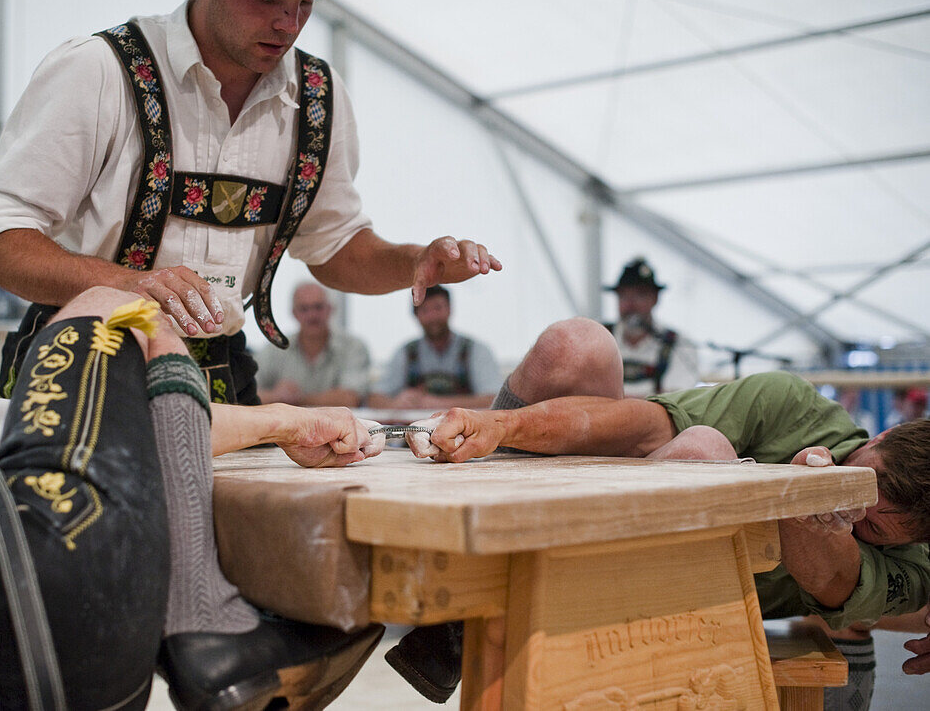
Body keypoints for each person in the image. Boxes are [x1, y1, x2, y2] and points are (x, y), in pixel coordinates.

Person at [0, 286, 387, 710]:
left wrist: (285, 424)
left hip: (36, 687)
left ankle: (200, 632)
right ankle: (201, 621)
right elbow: (94, 424)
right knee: (114, 303)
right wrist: (284, 423)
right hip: (20, 582)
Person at [0, 0, 500, 404]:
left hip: (223, 370)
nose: (288, 24)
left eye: (306, 3)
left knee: (224, 539)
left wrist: (416, 262)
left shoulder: (318, 98)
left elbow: (335, 249)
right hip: (88, 359)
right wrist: (128, 284)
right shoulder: (99, 70)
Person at [384, 317, 930, 703]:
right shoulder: (792, 405)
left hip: (690, 610)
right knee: (575, 345)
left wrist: (802, 489)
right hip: (622, 544)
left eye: (878, 527)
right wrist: (500, 426)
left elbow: (835, 578)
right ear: (878, 435)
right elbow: (646, 425)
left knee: (705, 452)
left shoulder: (918, 564)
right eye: (868, 478)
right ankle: (469, 601)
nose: (861, 512)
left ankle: (484, 601)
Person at [369, 285, 503, 410]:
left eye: (438, 308)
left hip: (467, 432)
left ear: (450, 309)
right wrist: (396, 403)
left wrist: (438, 403)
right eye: (425, 310)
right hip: (415, 432)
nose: (433, 316)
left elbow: (495, 399)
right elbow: (373, 399)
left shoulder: (476, 350)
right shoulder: (405, 352)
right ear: (416, 315)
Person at [255, 280, 370, 407]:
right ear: (294, 313)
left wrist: (293, 399)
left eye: (318, 307)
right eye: (304, 309)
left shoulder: (353, 347)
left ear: (331, 309)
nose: (312, 315)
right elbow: (247, 393)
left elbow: (350, 399)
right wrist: (275, 396)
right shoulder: (276, 347)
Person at [605, 257, 700, 396]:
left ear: (655, 299)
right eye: (624, 296)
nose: (631, 305)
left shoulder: (679, 346)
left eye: (640, 295)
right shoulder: (598, 339)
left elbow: (678, 401)